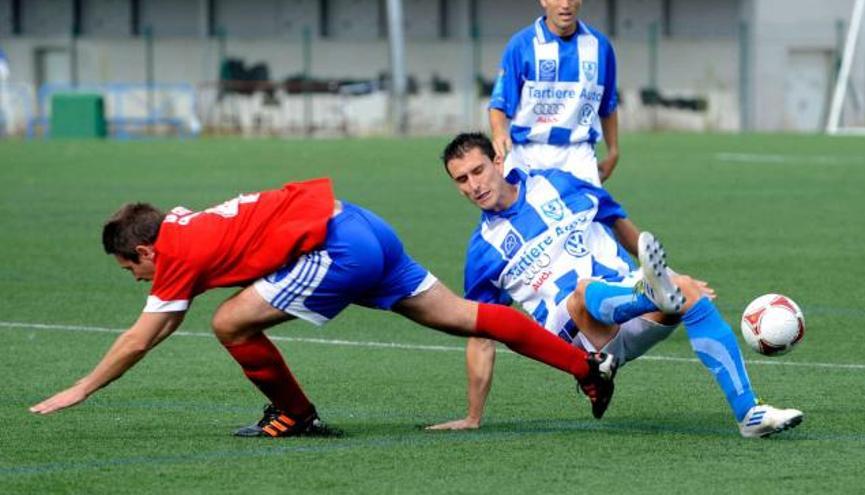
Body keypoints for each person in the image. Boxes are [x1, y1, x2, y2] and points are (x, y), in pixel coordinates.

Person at [29, 178, 620, 437]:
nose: (138, 278)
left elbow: (141, 338)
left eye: (132, 267)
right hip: (360, 222)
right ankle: (587, 368)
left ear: (145, 249)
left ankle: (295, 416)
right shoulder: (179, 220)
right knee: (460, 315)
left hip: (336, 248)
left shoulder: (175, 251)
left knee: (229, 322)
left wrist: (82, 387)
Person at [430, 133, 803, 438]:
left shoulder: (556, 184)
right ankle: (650, 292)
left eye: (478, 170)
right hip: (585, 342)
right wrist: (473, 415)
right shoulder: (482, 252)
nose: (474, 185)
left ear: (498, 160)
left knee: (686, 291)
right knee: (581, 291)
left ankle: (749, 414)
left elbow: (617, 220)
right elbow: (481, 335)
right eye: (461, 180)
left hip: (625, 302)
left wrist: (665, 273)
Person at [488, 0, 640, 251]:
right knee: (526, 230)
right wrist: (498, 133)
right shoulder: (521, 45)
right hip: (529, 153)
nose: (566, 4)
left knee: (595, 226)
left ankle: (646, 274)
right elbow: (499, 102)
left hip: (578, 153)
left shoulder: (599, 46)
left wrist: (613, 150)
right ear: (544, 1)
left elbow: (608, 104)